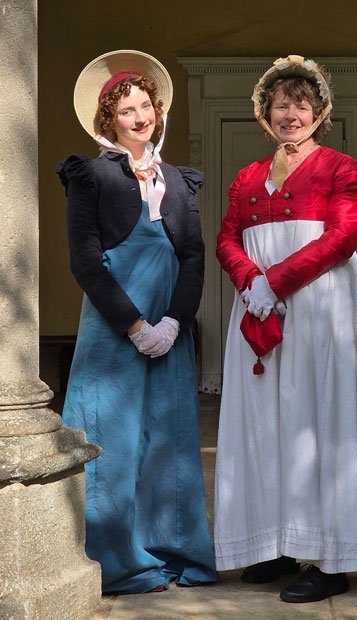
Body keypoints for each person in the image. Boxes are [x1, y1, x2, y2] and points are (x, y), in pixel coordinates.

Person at [214, 55, 357, 603]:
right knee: (265, 422)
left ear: (320, 112)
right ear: (265, 114)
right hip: (258, 304)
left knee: (318, 417)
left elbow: (341, 238)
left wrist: (276, 282)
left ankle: (329, 557)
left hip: (319, 305)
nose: (291, 115)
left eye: (301, 105)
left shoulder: (343, 169)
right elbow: (227, 238)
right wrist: (251, 281)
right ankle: (278, 543)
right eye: (281, 105)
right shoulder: (245, 177)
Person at [57, 50, 217, 594]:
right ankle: (118, 562)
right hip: (113, 331)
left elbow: (192, 257)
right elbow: (85, 261)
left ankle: (172, 553)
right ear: (109, 119)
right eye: (126, 110)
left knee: (169, 442)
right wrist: (134, 326)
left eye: (146, 105)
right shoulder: (90, 176)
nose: (139, 116)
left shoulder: (178, 180)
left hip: (169, 331)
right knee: (112, 441)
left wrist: (173, 322)